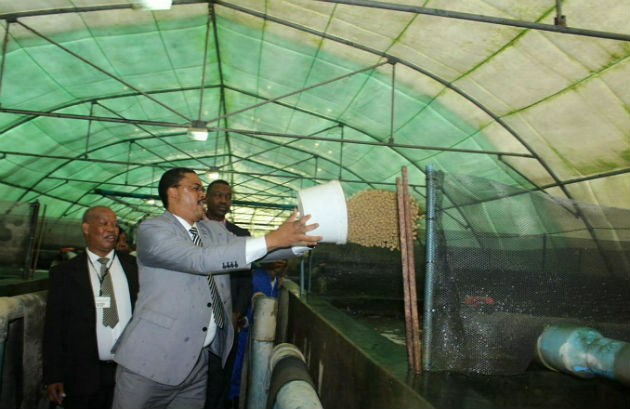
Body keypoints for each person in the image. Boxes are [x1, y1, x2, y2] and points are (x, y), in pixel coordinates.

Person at [111, 167, 321, 409]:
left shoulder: (212, 231)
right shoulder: (154, 230)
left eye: (202, 188)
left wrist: (302, 241)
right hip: (150, 362)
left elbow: (253, 250)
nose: (203, 194)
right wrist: (275, 237)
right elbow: (198, 260)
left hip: (197, 362)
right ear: (173, 192)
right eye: (196, 188)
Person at [43, 206, 140, 409]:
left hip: (129, 373)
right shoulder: (65, 273)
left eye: (114, 224)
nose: (112, 229)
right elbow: (54, 327)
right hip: (82, 375)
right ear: (86, 228)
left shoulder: (135, 268)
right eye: (104, 223)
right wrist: (53, 375)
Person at [204, 180, 252, 409]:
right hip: (193, 319)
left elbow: (244, 281)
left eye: (228, 197)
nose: (224, 201)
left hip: (226, 322)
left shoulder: (240, 235)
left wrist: (237, 312)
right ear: (206, 198)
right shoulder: (191, 229)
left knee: (220, 376)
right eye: (218, 195)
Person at [226, 259, 288, 407]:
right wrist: (243, 321)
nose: (280, 261)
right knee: (236, 371)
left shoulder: (275, 281)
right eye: (276, 257)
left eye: (284, 258)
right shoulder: (255, 278)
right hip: (244, 333)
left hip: (260, 335)